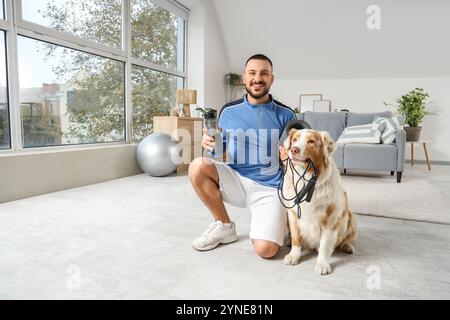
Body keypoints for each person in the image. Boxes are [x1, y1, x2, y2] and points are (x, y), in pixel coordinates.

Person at [188, 54, 296, 258]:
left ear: (272, 79)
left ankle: (279, 221)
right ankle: (224, 226)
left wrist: (289, 157)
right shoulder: (228, 111)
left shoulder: (287, 115)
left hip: (270, 187)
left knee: (266, 251)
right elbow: (218, 153)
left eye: (264, 73)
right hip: (236, 180)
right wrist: (209, 145)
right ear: (244, 78)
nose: (258, 78)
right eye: (252, 73)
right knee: (197, 165)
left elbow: (294, 160)